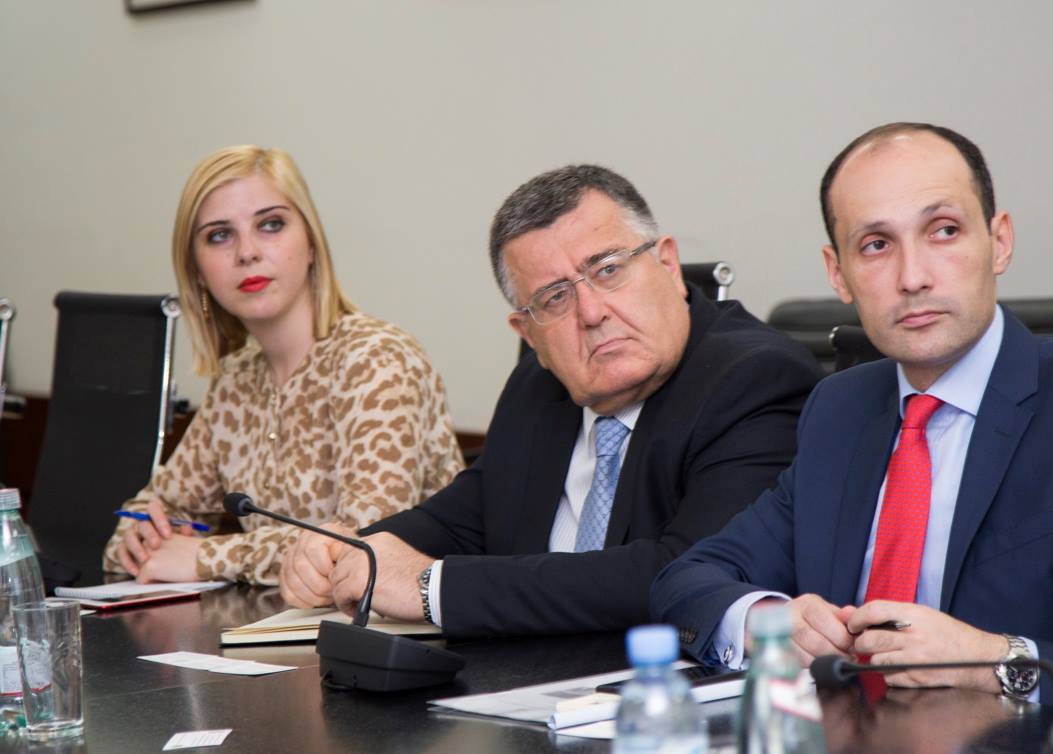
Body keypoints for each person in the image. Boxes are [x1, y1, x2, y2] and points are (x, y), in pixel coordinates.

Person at [649, 123, 1053, 735]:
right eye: (875, 245)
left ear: (1000, 242)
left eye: (944, 231)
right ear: (838, 273)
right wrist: (767, 622)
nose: (913, 277)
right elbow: (686, 582)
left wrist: (994, 662)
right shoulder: (840, 408)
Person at [279, 164, 823, 638]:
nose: (592, 312)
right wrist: (351, 551)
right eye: (555, 297)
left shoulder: (753, 379)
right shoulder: (539, 389)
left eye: (608, 270)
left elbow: (686, 573)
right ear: (529, 335)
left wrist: (430, 588)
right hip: (523, 689)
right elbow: (463, 518)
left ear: (668, 264)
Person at [103, 145, 463, 585]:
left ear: (311, 243)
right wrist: (142, 536)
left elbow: (365, 545)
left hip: (407, 624)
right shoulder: (235, 380)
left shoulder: (376, 360)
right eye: (219, 235)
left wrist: (205, 556)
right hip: (281, 623)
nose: (247, 252)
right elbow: (154, 510)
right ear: (197, 271)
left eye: (270, 225)